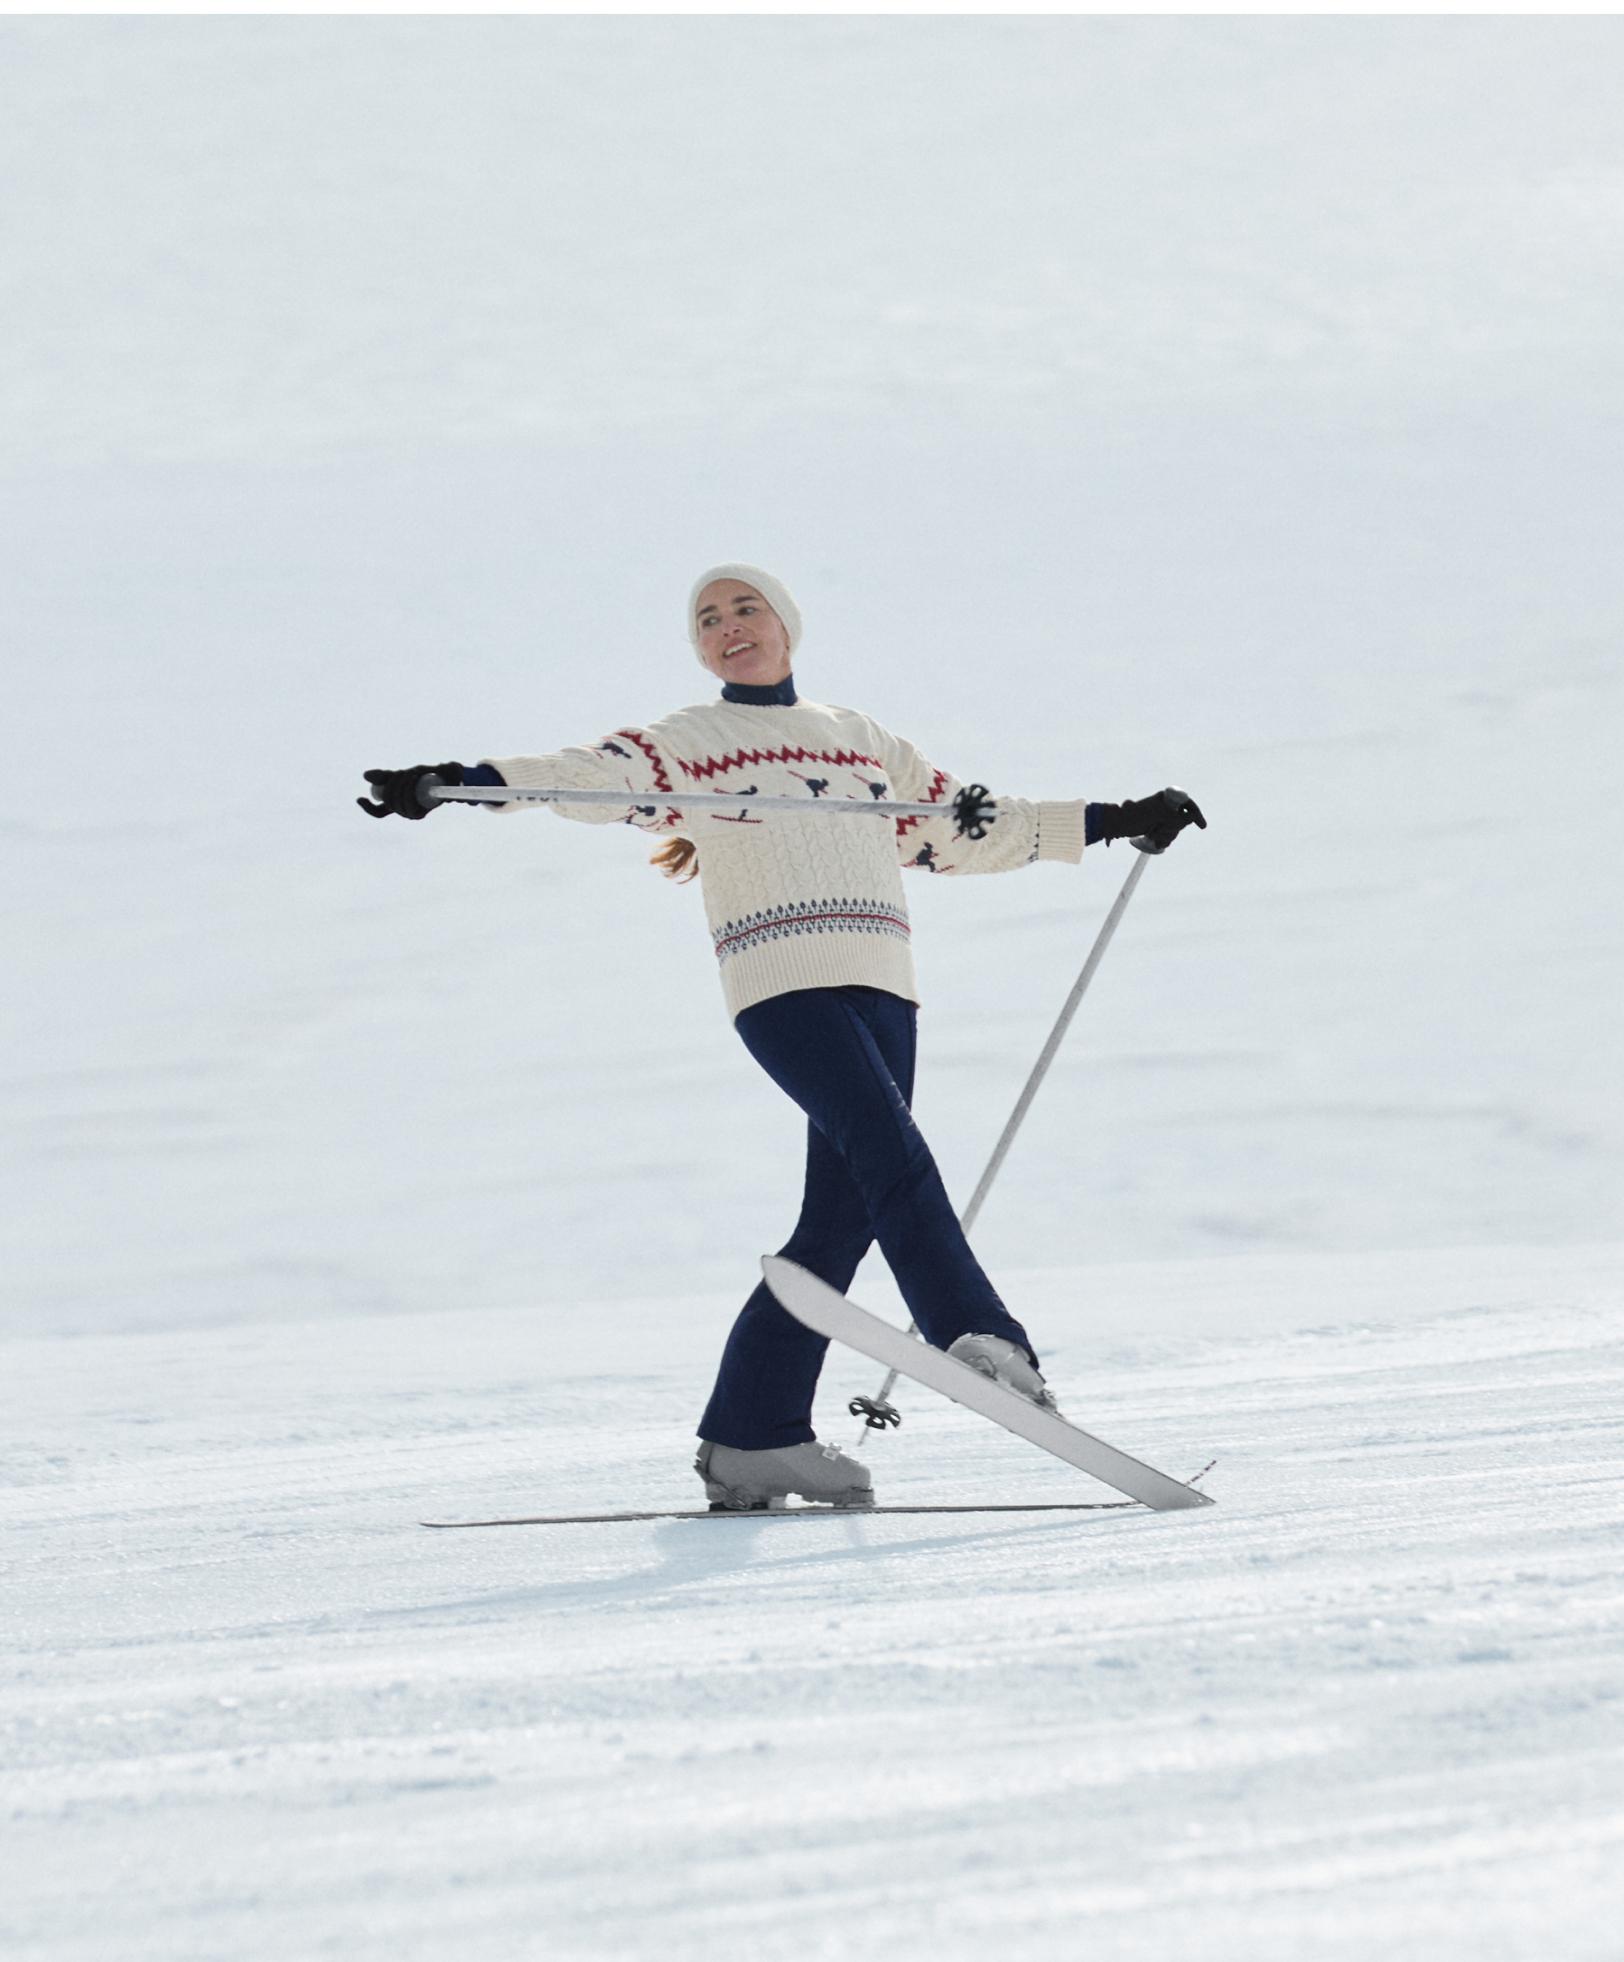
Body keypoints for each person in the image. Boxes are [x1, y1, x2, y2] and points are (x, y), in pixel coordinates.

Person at [359, 564, 1205, 1510]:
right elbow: (585, 778)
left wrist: (1113, 820)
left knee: (840, 1221)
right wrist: (455, 784)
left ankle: (754, 1435)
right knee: (895, 1157)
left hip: (885, 984)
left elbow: (965, 826)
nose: (728, 627)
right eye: (707, 619)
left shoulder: (859, 741)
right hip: (780, 980)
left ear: (786, 626)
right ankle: (973, 1328)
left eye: (745, 609)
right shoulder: (690, 743)